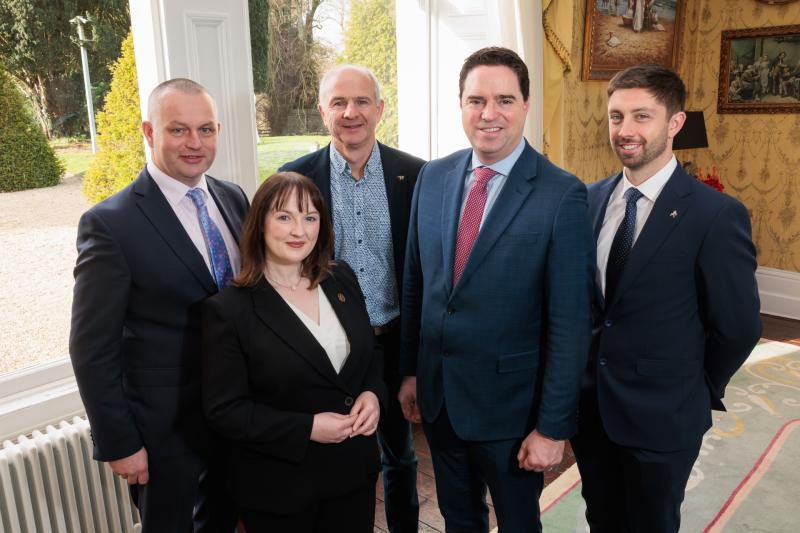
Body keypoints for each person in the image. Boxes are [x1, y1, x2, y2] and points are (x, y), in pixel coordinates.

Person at [399, 46, 594, 532]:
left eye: (505, 100)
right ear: (461, 105)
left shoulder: (561, 193)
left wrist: (552, 427)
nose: (489, 114)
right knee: (458, 518)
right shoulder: (433, 176)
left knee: (517, 523)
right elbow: (415, 285)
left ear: (527, 105)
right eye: (476, 100)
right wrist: (410, 373)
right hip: (441, 400)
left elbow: (570, 325)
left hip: (512, 412)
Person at [571, 64, 762, 533]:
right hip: (592, 411)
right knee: (602, 517)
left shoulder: (716, 215)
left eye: (642, 116)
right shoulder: (588, 200)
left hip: (665, 416)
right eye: (616, 117)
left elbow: (738, 328)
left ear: (674, 123)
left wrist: (697, 388)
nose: (625, 130)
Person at [69, 78, 246, 531]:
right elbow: (92, 349)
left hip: (235, 416)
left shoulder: (233, 198)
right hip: (162, 434)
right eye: (178, 130)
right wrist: (119, 442)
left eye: (205, 130)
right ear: (149, 132)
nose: (195, 143)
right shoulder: (110, 224)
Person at [279, 64, 425, 532]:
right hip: (330, 350)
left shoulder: (416, 175)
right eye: (338, 103)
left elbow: (424, 271)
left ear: (380, 109)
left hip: (394, 340)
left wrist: (412, 365)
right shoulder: (295, 180)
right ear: (323, 111)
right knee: (342, 458)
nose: (350, 112)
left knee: (399, 457)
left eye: (361, 101)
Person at [201, 172, 386, 532]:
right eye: (284, 216)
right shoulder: (229, 310)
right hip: (281, 491)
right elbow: (225, 411)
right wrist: (307, 428)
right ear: (260, 224)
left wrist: (373, 395)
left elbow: (371, 355)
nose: (299, 230)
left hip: (353, 477)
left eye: (310, 217)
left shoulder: (341, 277)